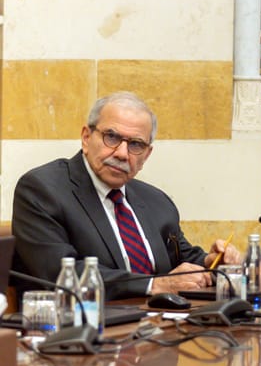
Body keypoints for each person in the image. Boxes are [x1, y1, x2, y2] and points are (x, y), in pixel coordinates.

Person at [12, 92, 240, 301]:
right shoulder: (42, 190)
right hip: (85, 324)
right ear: (86, 137)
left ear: (146, 155)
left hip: (161, 322)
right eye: (111, 137)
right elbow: (62, 274)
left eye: (136, 144)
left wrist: (211, 262)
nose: (122, 153)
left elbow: (180, 258)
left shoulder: (156, 201)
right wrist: (154, 285)